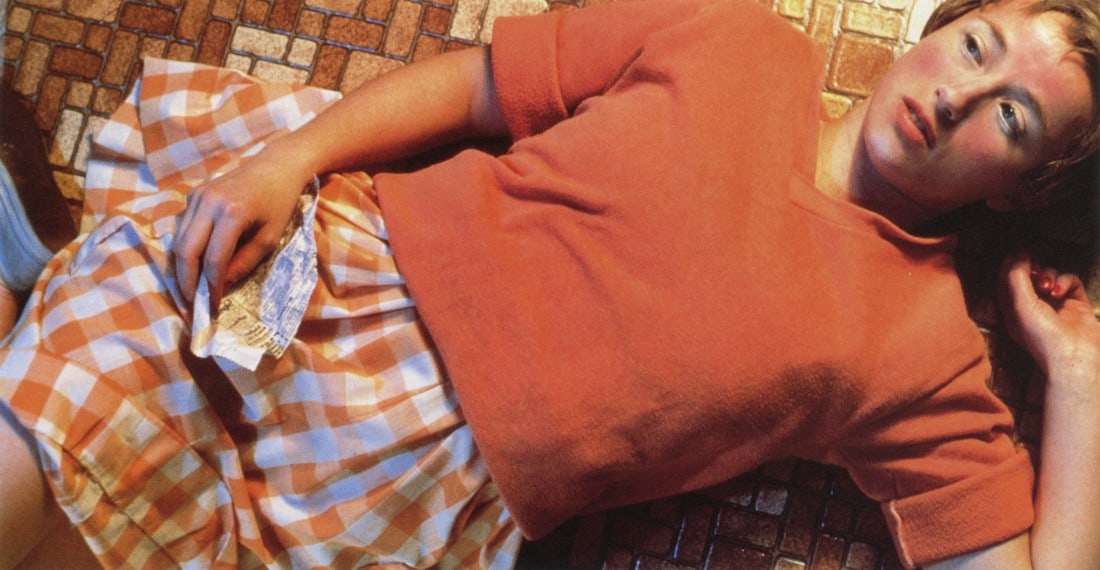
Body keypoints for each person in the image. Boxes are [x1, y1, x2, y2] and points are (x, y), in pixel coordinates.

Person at [0, 0, 1096, 568]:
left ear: (1020, 189)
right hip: (317, 280)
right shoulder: (739, 39)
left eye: (1011, 117)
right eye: (977, 46)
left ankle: (18, 276)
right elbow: (480, 87)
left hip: (401, 489)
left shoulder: (920, 352)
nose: (957, 96)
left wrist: (1080, 379)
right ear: (941, 26)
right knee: (29, 465)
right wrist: (290, 160)